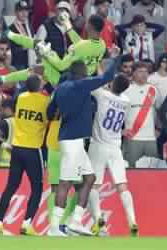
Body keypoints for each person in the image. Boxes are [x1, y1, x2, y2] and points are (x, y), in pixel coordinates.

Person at [46, 50, 118, 236]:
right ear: (82, 73)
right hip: (74, 142)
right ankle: (54, 227)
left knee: (89, 178)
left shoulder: (60, 88)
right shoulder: (82, 85)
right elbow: (108, 76)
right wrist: (116, 57)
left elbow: (49, 112)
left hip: (69, 138)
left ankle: (75, 222)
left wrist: (66, 112)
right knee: (65, 183)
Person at [0, 74, 50, 236]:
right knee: (37, 187)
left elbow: (27, 90)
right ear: (39, 86)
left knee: (11, 186)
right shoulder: (45, 101)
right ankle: (27, 224)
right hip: (33, 149)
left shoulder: (21, 98)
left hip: (17, 148)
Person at [88, 74, 138, 237]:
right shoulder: (126, 101)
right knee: (122, 185)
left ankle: (98, 219)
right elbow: (114, 87)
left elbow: (93, 82)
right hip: (116, 147)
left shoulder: (102, 95)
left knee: (93, 185)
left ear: (112, 83)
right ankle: (132, 220)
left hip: (98, 145)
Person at [122, 62, 159, 167]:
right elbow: (118, 111)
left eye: (146, 72)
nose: (144, 74)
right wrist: (121, 131)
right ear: (133, 73)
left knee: (153, 171)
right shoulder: (126, 90)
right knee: (132, 170)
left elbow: (159, 110)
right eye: (140, 71)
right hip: (133, 137)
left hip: (151, 139)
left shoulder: (153, 89)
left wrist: (159, 129)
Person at [9, 0, 36, 69]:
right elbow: (10, 49)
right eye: (21, 11)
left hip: (30, 61)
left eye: (26, 10)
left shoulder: (29, 26)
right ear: (15, 12)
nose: (24, 13)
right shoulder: (11, 28)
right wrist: (23, 47)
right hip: (18, 64)